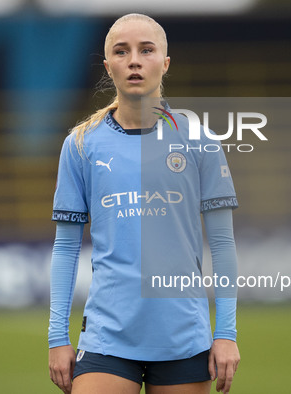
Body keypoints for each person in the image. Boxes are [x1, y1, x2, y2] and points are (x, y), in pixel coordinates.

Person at [48, 13, 240, 394]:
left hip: (183, 335)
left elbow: (222, 243)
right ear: (108, 66)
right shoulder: (81, 145)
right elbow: (66, 246)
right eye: (122, 51)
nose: (134, 60)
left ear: (164, 63)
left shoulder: (200, 141)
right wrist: (57, 337)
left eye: (146, 50)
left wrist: (227, 333)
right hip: (107, 334)